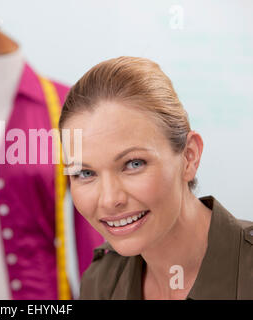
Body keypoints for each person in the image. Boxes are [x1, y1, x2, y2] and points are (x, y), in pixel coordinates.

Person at [58, 56, 253, 300]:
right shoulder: (100, 281)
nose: (109, 200)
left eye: (133, 164)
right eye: (85, 173)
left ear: (189, 157)